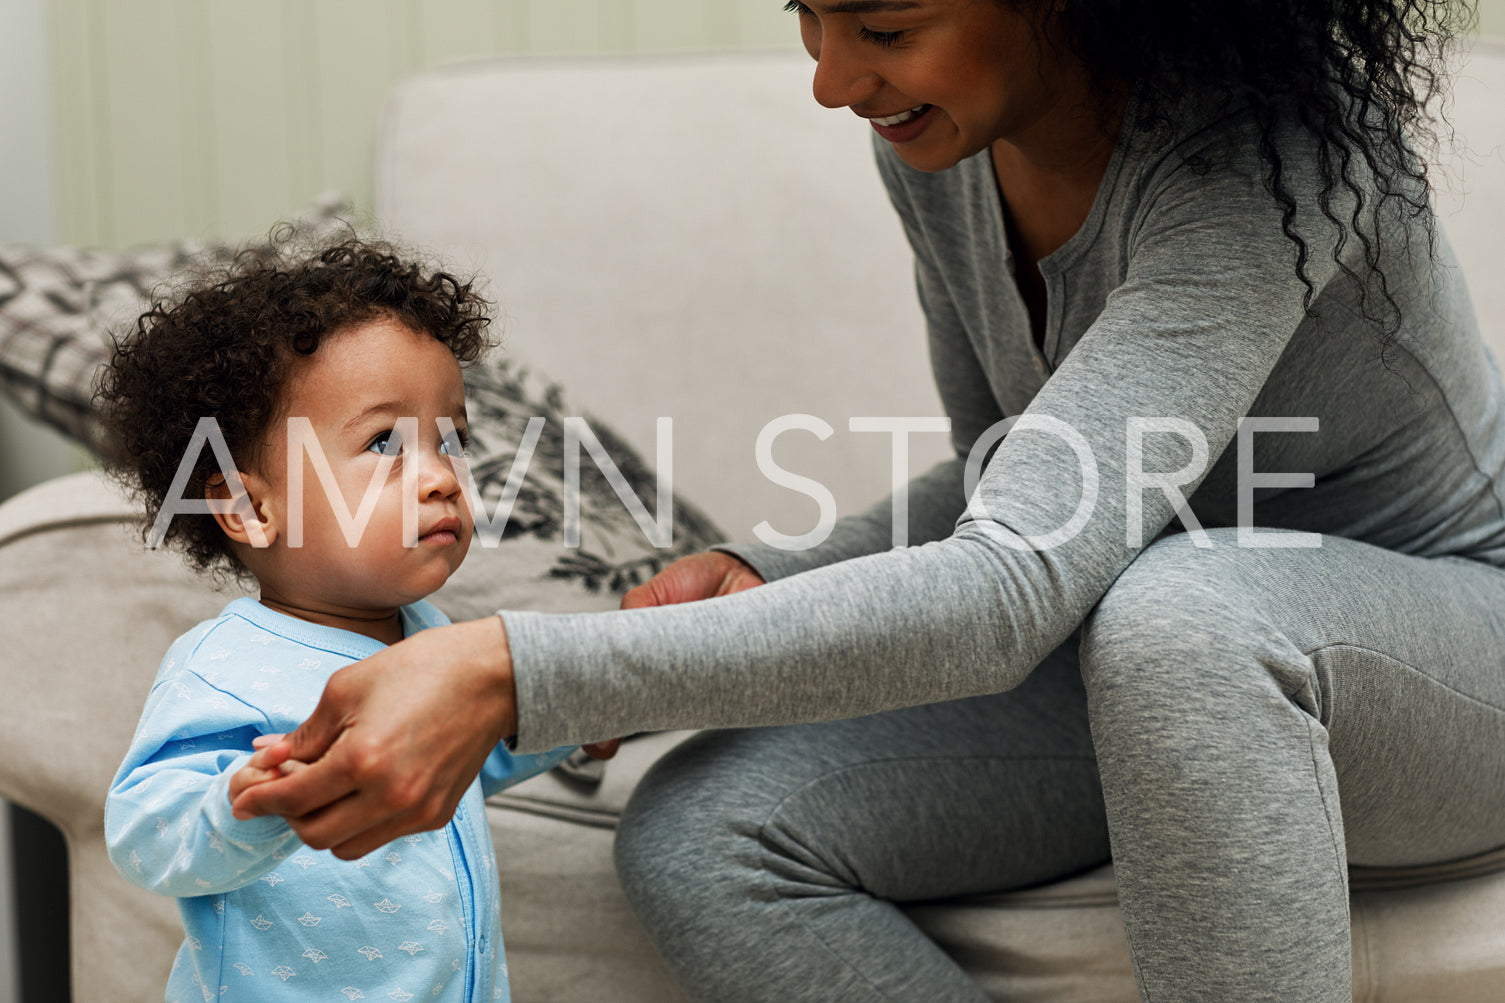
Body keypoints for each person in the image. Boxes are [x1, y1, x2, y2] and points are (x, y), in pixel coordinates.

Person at [234, 1, 1505, 1000]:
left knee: (1184, 615)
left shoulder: (1274, 155)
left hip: (1439, 663)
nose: (833, 81)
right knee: (710, 835)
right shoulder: (940, 148)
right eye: (809, 15)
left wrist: (509, 671)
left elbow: (1008, 587)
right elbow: (1025, 480)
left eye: (884, 28)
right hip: (1148, 633)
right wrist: (776, 568)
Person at [99, 237, 584, 1003]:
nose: (439, 478)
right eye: (384, 442)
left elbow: (466, 752)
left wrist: (570, 718)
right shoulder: (226, 668)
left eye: (451, 440)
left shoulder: (432, 634)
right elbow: (145, 833)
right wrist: (244, 799)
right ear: (250, 506)